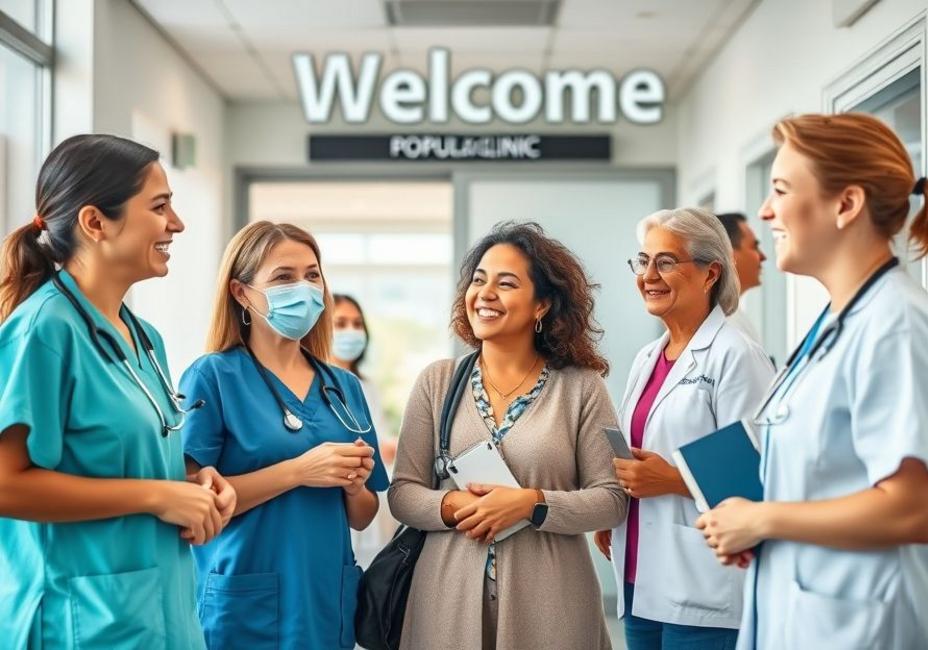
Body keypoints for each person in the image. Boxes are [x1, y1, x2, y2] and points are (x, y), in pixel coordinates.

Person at [696, 113, 928, 650]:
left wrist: (763, 519)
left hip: (878, 627)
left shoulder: (898, 328)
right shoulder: (841, 320)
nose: (765, 210)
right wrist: (761, 526)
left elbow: (914, 508)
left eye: (780, 189)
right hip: (815, 615)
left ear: (846, 205)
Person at [0, 134, 234, 649]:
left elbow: (122, 457)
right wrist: (157, 496)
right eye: (160, 206)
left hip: (157, 617)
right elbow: (6, 484)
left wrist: (195, 483)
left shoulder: (144, 339)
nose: (177, 223)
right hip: (77, 622)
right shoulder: (43, 331)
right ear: (95, 222)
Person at [388, 221, 628, 650]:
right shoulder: (437, 382)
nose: (485, 293)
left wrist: (530, 503)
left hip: (553, 604)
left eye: (506, 283)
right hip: (445, 602)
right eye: (479, 280)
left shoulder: (582, 387)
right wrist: (453, 504)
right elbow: (403, 492)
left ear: (541, 306)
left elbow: (611, 500)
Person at [179, 222, 389, 649]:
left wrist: (353, 487)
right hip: (246, 603)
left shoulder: (342, 387)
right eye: (283, 277)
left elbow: (363, 515)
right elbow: (190, 502)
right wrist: (297, 471)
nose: (305, 289)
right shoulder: (213, 377)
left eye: (313, 275)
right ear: (241, 292)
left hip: (325, 602)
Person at [593, 208, 773, 649]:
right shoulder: (647, 357)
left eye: (666, 262)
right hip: (639, 574)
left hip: (704, 583)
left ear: (711, 273)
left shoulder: (735, 355)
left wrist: (672, 480)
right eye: (643, 261)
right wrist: (617, 505)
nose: (648, 275)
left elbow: (758, 480)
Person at [330, 292, 399, 565]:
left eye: (357, 324)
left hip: (370, 504)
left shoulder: (366, 386)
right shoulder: (318, 385)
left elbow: (376, 440)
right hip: (338, 507)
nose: (351, 332)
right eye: (341, 323)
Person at [716, 212, 767, 343]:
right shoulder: (722, 324)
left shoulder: (730, 317)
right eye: (754, 246)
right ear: (728, 254)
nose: (762, 256)